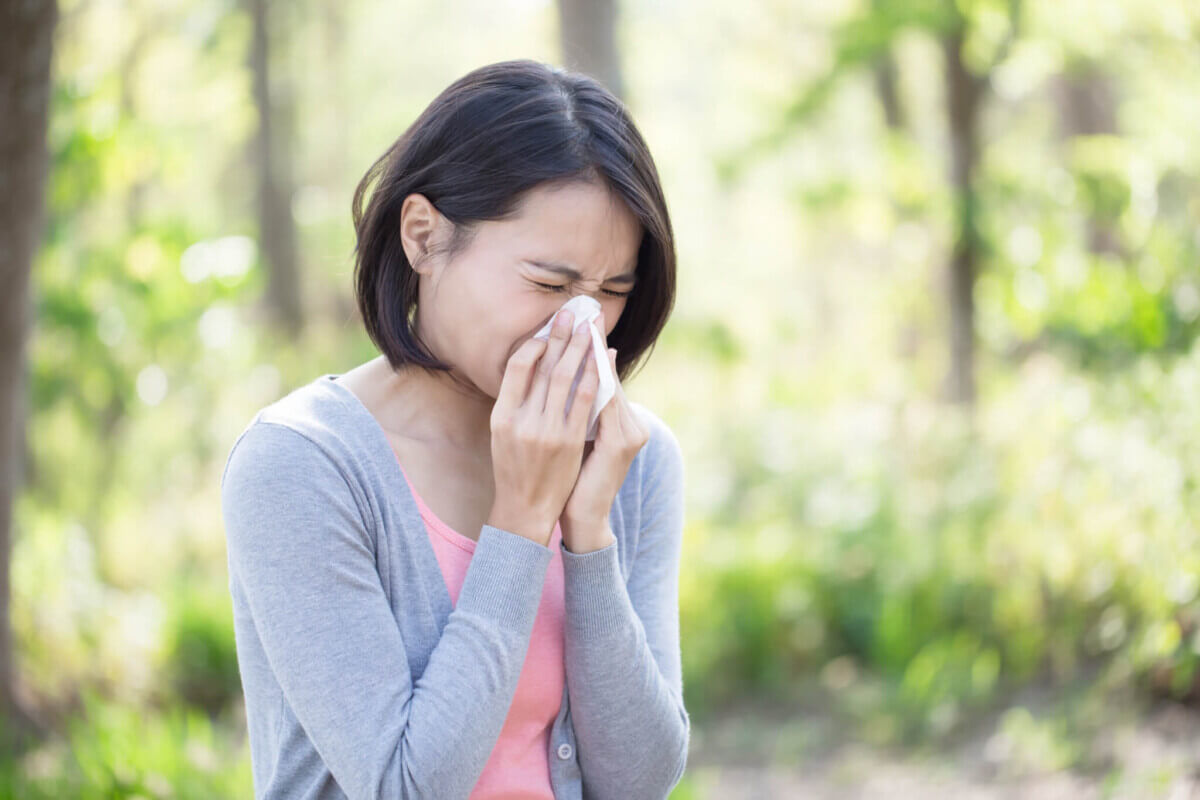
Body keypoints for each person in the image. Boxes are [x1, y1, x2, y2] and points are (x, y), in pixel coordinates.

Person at [220, 59, 689, 800]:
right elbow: (406, 786)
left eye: (613, 291)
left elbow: (641, 781)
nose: (582, 323)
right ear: (423, 237)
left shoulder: (637, 460)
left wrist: (588, 531)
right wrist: (525, 519)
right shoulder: (301, 466)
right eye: (549, 283)